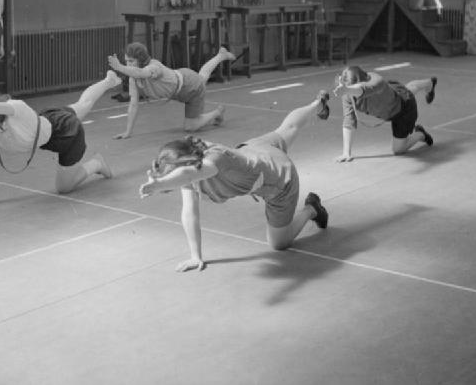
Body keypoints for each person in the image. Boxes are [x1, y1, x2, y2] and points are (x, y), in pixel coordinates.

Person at [138, 91, 332, 272]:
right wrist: (195, 256)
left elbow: (187, 175)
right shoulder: (190, 155)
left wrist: (159, 184)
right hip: (257, 150)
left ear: (184, 166)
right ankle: (317, 103)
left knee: (279, 244)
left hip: (278, 179)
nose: (172, 184)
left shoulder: (213, 162)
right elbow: (189, 213)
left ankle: (312, 209)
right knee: (288, 128)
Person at [0, 70, 122, 210]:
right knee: (83, 104)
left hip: (65, 133)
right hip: (49, 121)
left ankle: (97, 164)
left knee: (63, 188)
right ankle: (109, 80)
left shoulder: (15, 108)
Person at [107, 43, 236, 139]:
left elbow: (142, 72)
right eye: (126, 61)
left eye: (131, 61)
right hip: (180, 85)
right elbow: (133, 104)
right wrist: (128, 132)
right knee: (203, 76)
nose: (128, 65)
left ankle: (218, 112)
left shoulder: (153, 66)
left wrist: (119, 67)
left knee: (190, 127)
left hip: (190, 86)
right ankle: (221, 55)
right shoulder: (133, 79)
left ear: (141, 60)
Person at [333, 65, 437, 162]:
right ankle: (430, 83)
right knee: (407, 90)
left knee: (398, 150)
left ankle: (420, 134)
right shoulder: (347, 95)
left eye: (351, 89)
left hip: (403, 110)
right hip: (393, 97)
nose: (350, 92)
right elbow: (348, 121)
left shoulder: (376, 81)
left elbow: (363, 90)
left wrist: (347, 89)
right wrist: (346, 153)